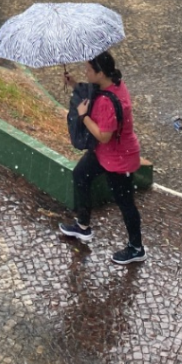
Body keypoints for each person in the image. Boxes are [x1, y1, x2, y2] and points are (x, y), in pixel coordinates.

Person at [58, 51, 145, 264]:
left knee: (125, 203)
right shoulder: (111, 84)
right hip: (104, 153)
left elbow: (103, 136)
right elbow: (93, 95)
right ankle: (83, 225)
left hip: (119, 158)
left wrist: (83, 116)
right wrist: (75, 84)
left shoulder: (110, 101)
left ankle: (136, 248)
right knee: (80, 174)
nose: (85, 72)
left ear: (100, 73)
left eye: (88, 70)